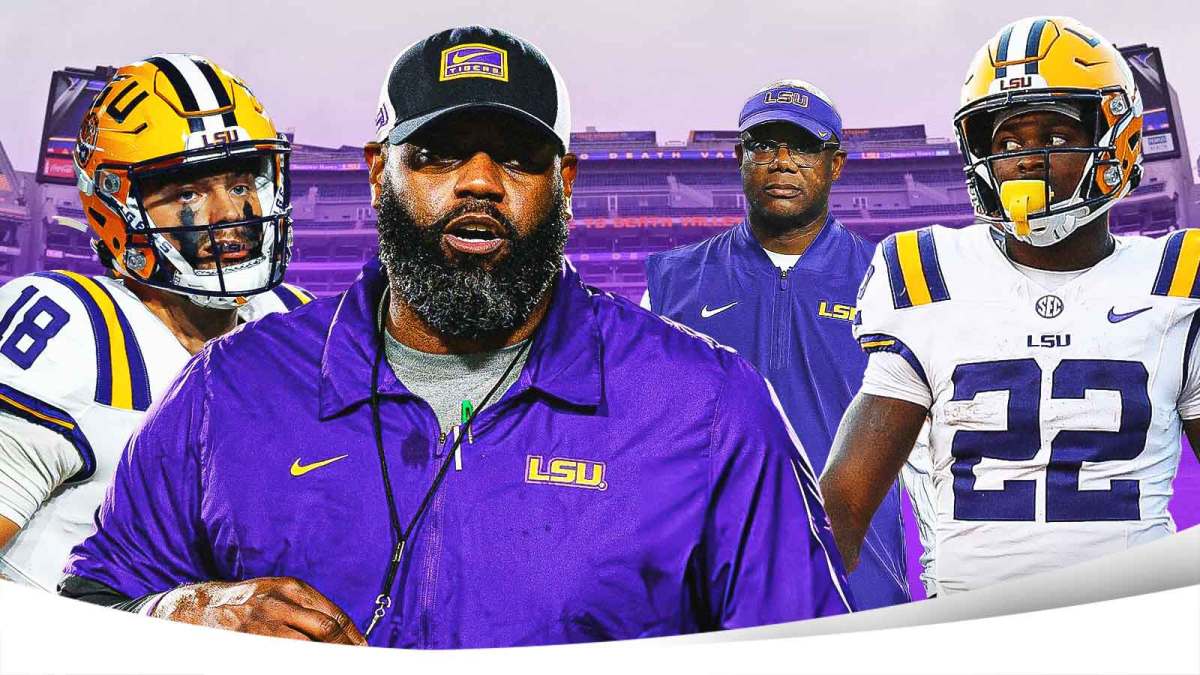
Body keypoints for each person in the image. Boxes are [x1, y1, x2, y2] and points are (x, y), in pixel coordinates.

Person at [59, 26, 852, 648]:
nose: (478, 181)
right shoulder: (231, 388)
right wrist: (186, 613)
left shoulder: (704, 404)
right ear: (378, 171)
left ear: (565, 182)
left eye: (517, 155)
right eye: (437, 153)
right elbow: (84, 616)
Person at [820, 16, 1200, 596]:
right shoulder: (927, 275)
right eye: (1006, 141)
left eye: (1053, 136)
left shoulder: (1175, 281)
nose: (1025, 158)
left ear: (1117, 140)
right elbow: (843, 501)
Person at [0, 54, 306, 591]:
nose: (229, 215)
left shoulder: (296, 319)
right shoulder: (73, 329)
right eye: (188, 192)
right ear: (113, 209)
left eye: (240, 184)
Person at [643, 80, 909, 609]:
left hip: (858, 579)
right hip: (707, 577)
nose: (782, 162)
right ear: (740, 158)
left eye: (803, 145)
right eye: (765, 145)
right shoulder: (672, 282)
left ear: (835, 164)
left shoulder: (891, 279)